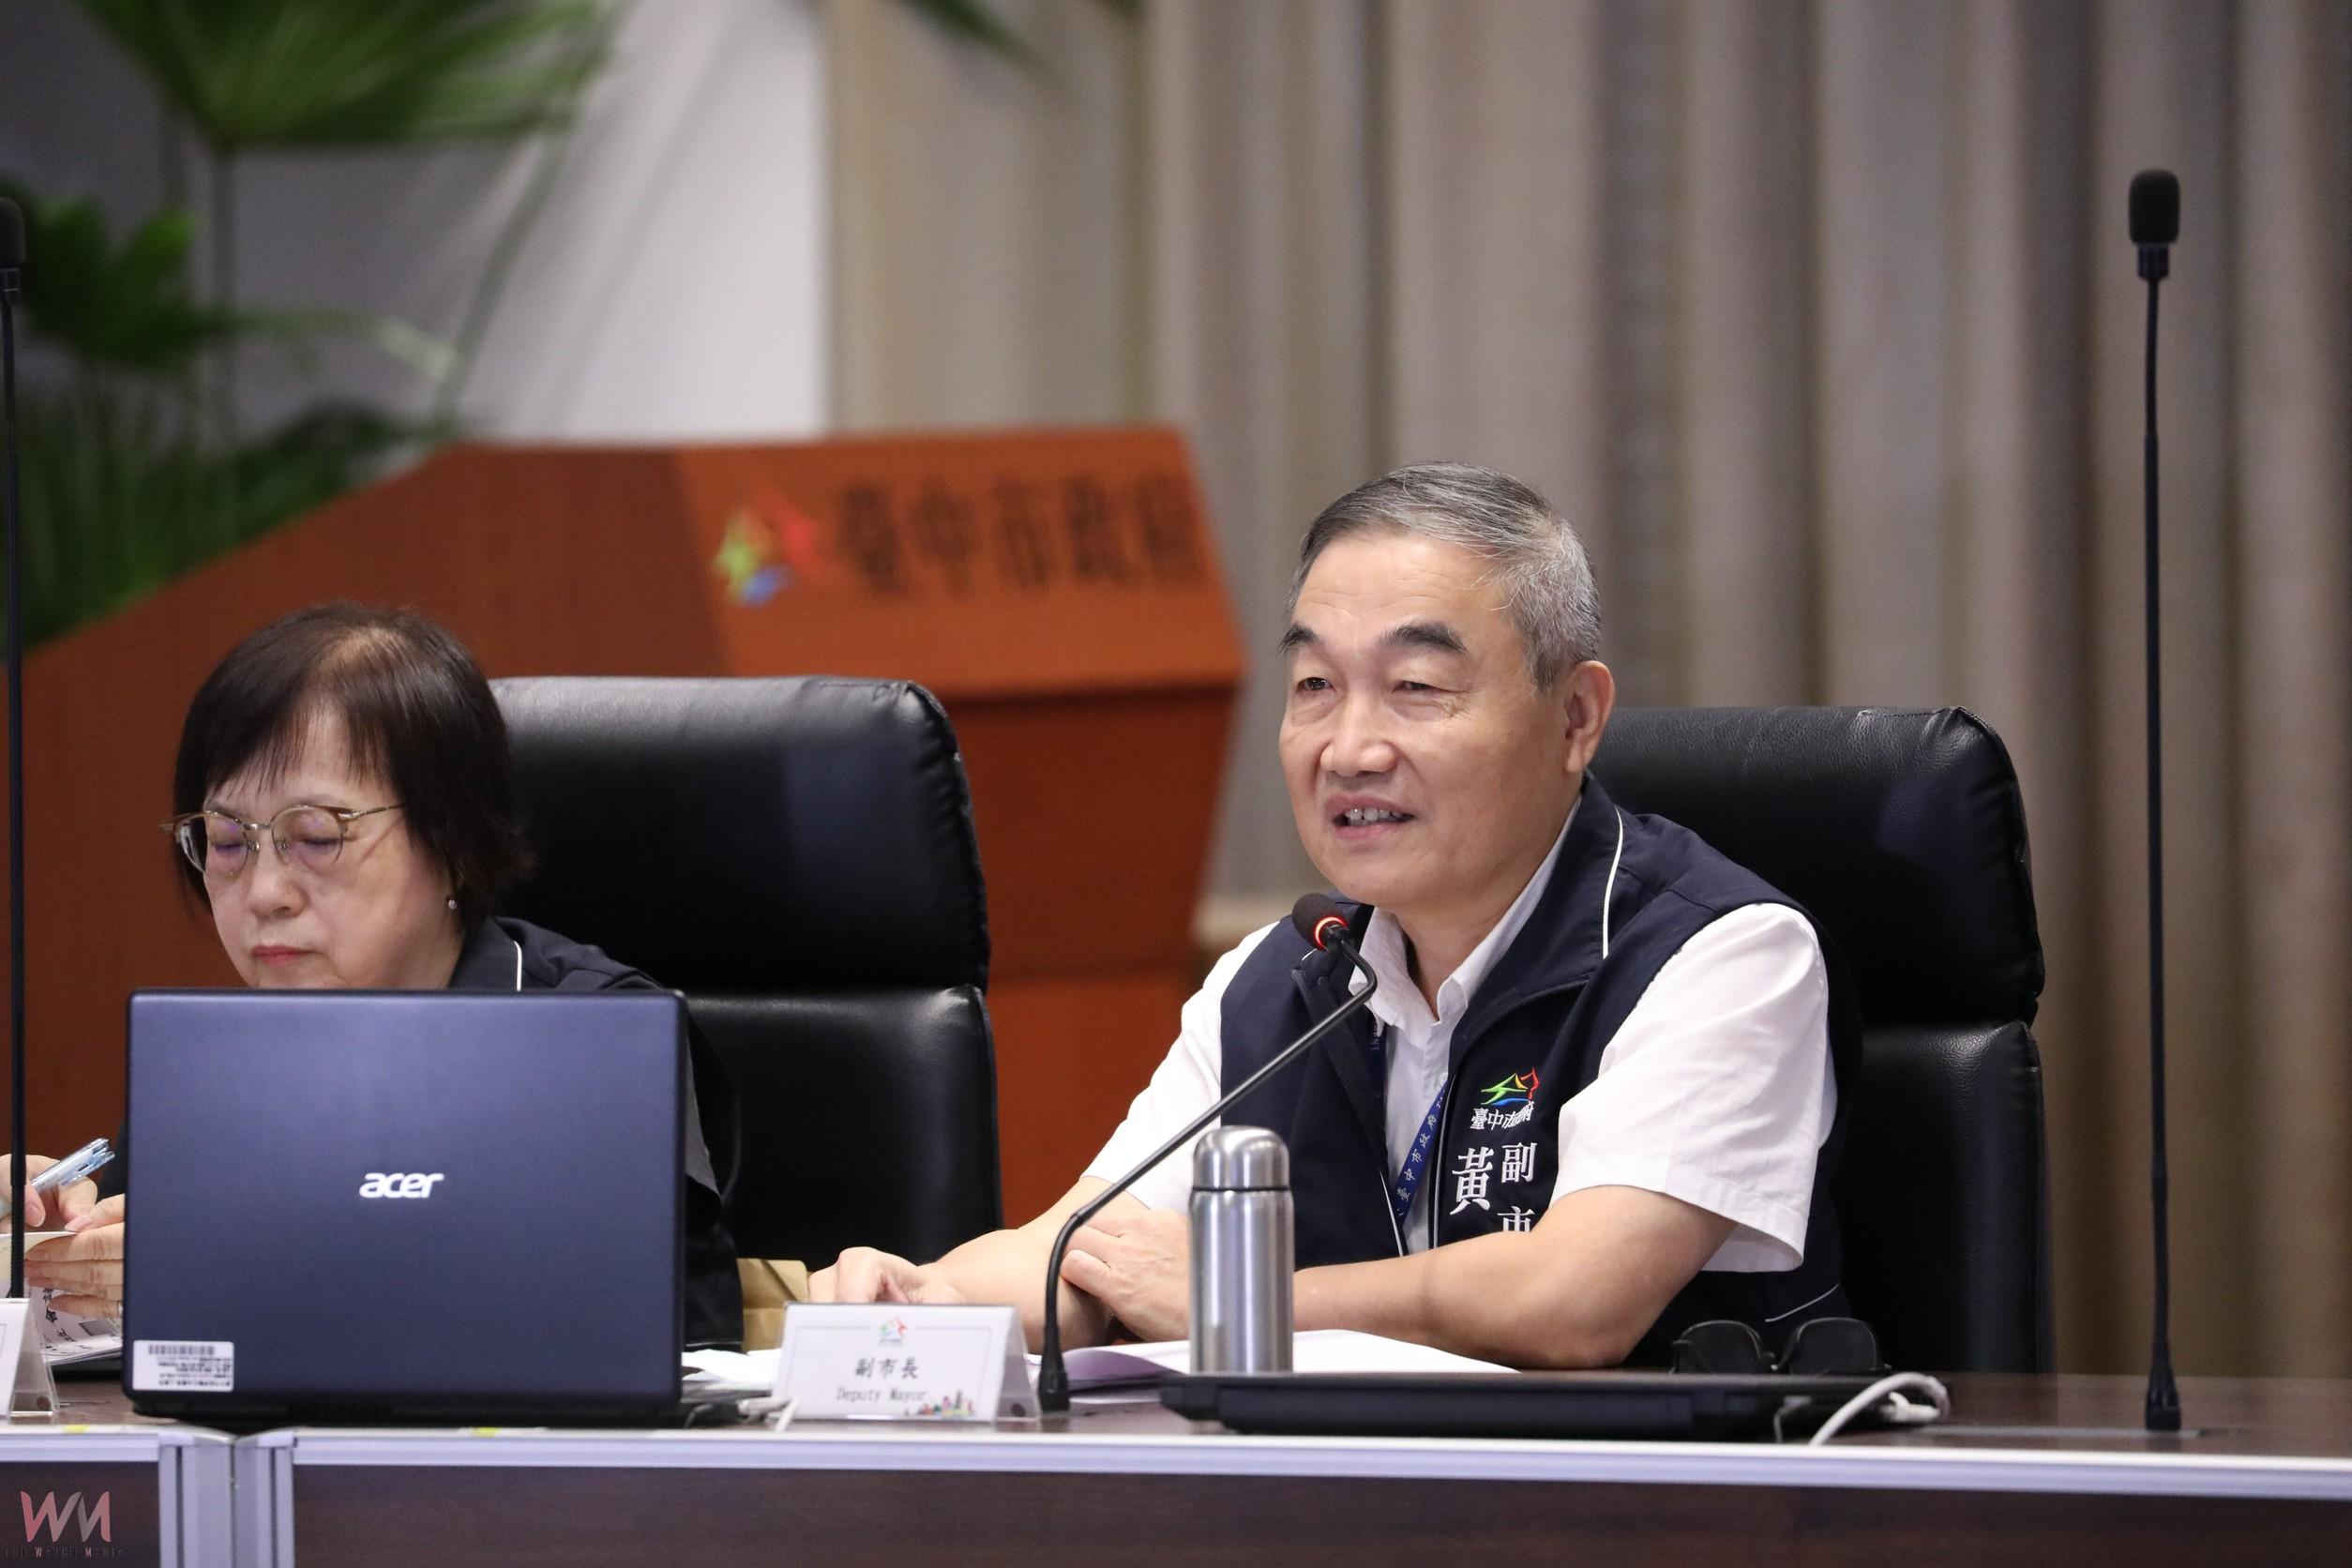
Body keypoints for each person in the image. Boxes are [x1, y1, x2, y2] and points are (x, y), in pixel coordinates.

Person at [815, 463, 1858, 1367]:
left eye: (1416, 686)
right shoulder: (1282, 981)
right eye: (1315, 684)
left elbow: (1572, 1301)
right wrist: (925, 1298)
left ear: (1576, 717)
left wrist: (1240, 1301)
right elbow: (1091, 1248)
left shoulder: (1721, 956)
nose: (1349, 748)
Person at [15, 603, 744, 1348]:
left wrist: (247, 1272)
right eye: (228, 841)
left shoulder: (601, 1042)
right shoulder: (213, 1065)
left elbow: (671, 1334)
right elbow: (127, 1305)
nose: (264, 893)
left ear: (453, 841)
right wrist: (47, 1250)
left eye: (316, 837)